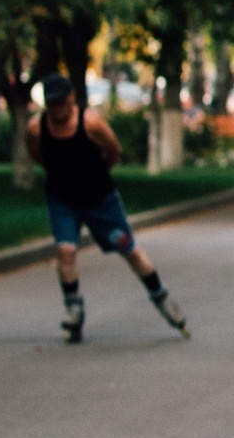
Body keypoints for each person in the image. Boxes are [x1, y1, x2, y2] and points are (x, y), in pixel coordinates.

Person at [25, 74, 188, 343]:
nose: (56, 110)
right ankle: (74, 310)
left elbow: (113, 151)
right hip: (62, 198)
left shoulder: (90, 123)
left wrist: (97, 175)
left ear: (71, 99)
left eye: (60, 103)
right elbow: (36, 153)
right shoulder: (36, 128)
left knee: (129, 249)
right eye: (51, 104)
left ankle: (162, 298)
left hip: (99, 199)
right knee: (65, 250)